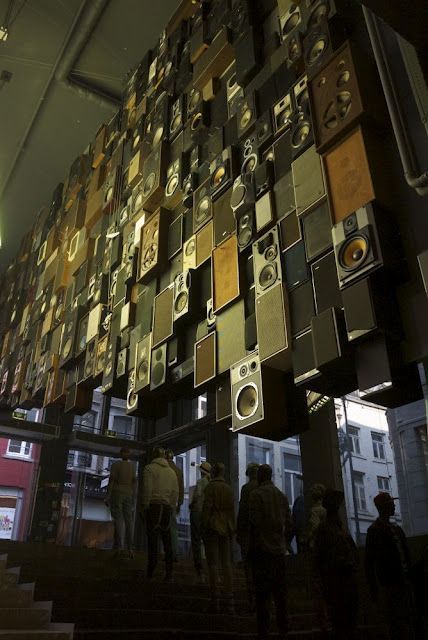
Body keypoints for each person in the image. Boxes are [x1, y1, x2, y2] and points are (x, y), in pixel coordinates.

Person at [249, 463, 292, 640]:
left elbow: (255, 523)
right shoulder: (281, 496)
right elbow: (289, 523)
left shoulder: (256, 495)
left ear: (260, 476)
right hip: (279, 551)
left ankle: (264, 630)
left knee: (262, 595)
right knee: (280, 594)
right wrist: (284, 542)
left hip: (262, 551)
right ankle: (283, 629)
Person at [365, 492, 416, 640]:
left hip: (402, 583)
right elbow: (369, 562)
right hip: (391, 585)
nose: (394, 505)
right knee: (396, 621)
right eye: (391, 503)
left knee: (404, 619)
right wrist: (374, 587)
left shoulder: (394, 529)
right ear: (385, 507)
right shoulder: (375, 531)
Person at [313, 488, 359, 640]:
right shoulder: (326, 529)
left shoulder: (338, 528)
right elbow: (320, 557)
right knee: (340, 620)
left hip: (344, 580)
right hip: (336, 581)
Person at [201, 462, 235, 613]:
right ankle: (229, 596)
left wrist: (203, 525)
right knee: (226, 563)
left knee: (213, 563)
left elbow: (207, 508)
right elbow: (232, 509)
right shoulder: (228, 488)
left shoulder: (210, 487)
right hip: (226, 526)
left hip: (213, 525)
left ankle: (215, 596)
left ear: (214, 472)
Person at [142, 447, 178, 581]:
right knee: (167, 541)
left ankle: (151, 569)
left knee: (152, 540)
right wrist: (172, 507)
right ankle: (169, 572)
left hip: (154, 505)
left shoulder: (149, 469)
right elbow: (175, 492)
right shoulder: (172, 472)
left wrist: (145, 505)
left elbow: (147, 489)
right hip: (167, 507)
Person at [105, 446, 136, 558]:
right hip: (129, 494)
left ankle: (119, 546)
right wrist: (134, 496)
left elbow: (112, 481)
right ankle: (130, 548)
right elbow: (134, 483)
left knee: (118, 519)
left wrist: (108, 496)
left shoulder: (116, 465)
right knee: (129, 521)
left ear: (121, 453)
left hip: (117, 493)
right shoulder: (132, 467)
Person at [236, 462, 259, 611]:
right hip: (263, 534)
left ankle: (252, 599)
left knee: (249, 567)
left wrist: (239, 531)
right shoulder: (267, 488)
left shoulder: (246, 489)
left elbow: (243, 511)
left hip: (248, 533)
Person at [189, 460, 211, 581]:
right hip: (207, 515)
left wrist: (191, 504)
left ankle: (199, 569)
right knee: (207, 541)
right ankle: (211, 568)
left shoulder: (201, 482)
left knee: (196, 541)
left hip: (197, 513)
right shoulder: (211, 483)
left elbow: (196, 496)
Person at [165, 449, 184, 561]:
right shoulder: (178, 470)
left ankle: (165, 553)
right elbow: (181, 489)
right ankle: (174, 553)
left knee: (161, 528)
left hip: (163, 501)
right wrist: (180, 503)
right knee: (173, 528)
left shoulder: (164, 470)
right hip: (174, 502)